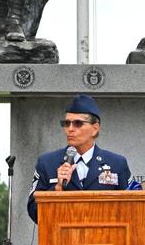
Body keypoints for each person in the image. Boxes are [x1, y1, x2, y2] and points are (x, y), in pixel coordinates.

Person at [27, 95, 132, 223]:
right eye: (66, 123)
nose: (70, 129)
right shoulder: (47, 162)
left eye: (78, 123)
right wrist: (58, 188)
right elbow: (34, 212)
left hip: (104, 241)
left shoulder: (117, 163)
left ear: (95, 128)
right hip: (60, 240)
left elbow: (132, 209)